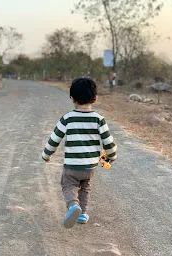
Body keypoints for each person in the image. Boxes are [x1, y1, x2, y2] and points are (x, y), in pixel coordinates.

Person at [42, 78, 117, 229]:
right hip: (90, 167)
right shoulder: (99, 119)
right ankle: (82, 214)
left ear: (72, 98)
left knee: (68, 185)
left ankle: (73, 206)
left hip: (72, 166)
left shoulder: (68, 118)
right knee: (85, 187)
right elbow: (109, 143)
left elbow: (54, 140)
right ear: (95, 99)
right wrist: (111, 156)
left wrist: (46, 155)